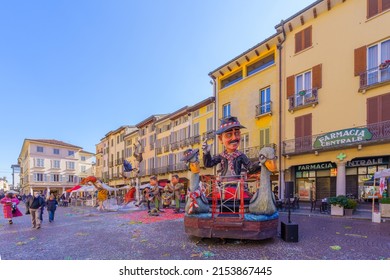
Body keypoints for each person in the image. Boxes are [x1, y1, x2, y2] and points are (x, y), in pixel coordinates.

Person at [202, 116, 260, 200]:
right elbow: (208, 164)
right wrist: (206, 153)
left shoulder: (241, 156)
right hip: (223, 187)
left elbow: (250, 167)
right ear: (220, 139)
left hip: (238, 187)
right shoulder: (221, 156)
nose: (234, 138)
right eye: (229, 134)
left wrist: (260, 163)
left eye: (237, 133)